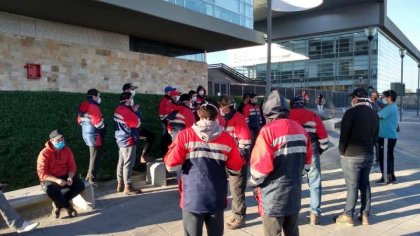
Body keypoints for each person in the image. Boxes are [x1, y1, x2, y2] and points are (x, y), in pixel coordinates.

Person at [164, 100, 244, 236]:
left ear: (198, 114)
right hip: (216, 196)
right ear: (217, 115)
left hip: (192, 197)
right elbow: (236, 169)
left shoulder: (185, 135)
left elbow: (171, 166)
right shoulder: (227, 138)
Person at [249, 90, 312, 236]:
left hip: (273, 197)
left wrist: (253, 181)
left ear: (266, 113)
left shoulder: (267, 131)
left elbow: (260, 169)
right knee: (292, 231)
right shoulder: (300, 129)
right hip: (294, 192)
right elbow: (307, 164)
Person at [335, 88, 379, 226]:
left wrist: (342, 151)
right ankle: (365, 214)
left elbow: (344, 135)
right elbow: (375, 136)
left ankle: (348, 215)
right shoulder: (374, 114)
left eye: (352, 98)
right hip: (368, 154)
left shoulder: (350, 112)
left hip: (352, 155)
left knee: (352, 186)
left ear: (356, 98)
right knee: (365, 184)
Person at [289, 96, 329, 225]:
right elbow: (323, 137)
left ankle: (292, 212)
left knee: (293, 183)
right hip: (312, 152)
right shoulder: (313, 115)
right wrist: (321, 150)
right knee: (315, 183)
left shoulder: (287, 116)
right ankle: (314, 214)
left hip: (293, 154)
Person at [218, 96, 251, 230]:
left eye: (222, 106)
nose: (220, 109)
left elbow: (245, 141)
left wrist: (236, 156)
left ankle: (239, 216)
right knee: (230, 189)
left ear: (228, 107)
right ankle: (236, 212)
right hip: (224, 158)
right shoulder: (221, 118)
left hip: (237, 160)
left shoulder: (239, 118)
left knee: (236, 189)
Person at [37, 130, 86, 218]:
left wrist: (70, 177)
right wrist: (56, 180)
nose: (61, 142)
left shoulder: (67, 150)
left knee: (80, 185)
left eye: (62, 139)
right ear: (51, 141)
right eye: (58, 140)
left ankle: (58, 205)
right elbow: (42, 173)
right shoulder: (44, 153)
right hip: (50, 178)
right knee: (51, 190)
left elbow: (72, 166)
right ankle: (68, 207)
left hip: (65, 176)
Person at [114, 92, 142, 195]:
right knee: (128, 164)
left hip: (121, 139)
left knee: (121, 163)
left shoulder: (119, 109)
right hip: (128, 140)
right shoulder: (126, 111)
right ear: (127, 100)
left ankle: (120, 184)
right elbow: (137, 123)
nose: (132, 100)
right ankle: (128, 186)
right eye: (131, 98)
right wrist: (136, 112)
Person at [77, 88, 106, 187]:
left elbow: (79, 120)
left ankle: (89, 177)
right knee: (94, 157)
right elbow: (98, 123)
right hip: (95, 135)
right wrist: (103, 126)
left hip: (86, 133)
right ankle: (91, 179)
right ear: (94, 97)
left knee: (92, 156)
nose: (99, 98)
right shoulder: (94, 107)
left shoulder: (84, 105)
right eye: (98, 96)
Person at [123, 83, 155, 164]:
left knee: (151, 136)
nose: (134, 91)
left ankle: (144, 156)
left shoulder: (131, 99)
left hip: (135, 128)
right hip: (130, 130)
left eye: (134, 89)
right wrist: (136, 110)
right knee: (129, 152)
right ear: (126, 90)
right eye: (132, 89)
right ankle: (129, 169)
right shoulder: (125, 100)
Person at [377, 90, 399, 184]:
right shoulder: (392, 107)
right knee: (389, 157)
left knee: (384, 158)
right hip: (389, 136)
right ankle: (391, 177)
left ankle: (385, 178)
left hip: (386, 137)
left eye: (384, 97)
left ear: (389, 98)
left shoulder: (390, 107)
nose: (383, 99)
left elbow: (377, 116)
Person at [158, 86, 177, 154]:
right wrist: (164, 120)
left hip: (169, 120)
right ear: (167, 92)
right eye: (171, 91)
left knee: (169, 136)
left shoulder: (170, 100)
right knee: (166, 136)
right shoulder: (165, 100)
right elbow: (161, 111)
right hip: (166, 121)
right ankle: (164, 151)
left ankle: (167, 151)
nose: (173, 93)